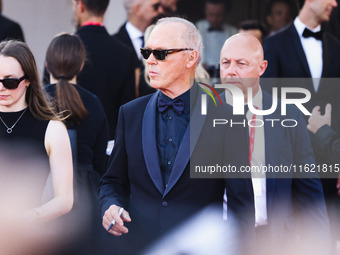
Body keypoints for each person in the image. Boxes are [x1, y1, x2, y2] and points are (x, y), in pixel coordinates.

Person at [99, 17, 254, 254]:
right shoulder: (130, 114)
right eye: (147, 52)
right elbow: (112, 181)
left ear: (190, 58)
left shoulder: (227, 118)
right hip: (138, 247)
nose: (150, 61)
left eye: (160, 53)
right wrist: (110, 206)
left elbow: (241, 204)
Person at [220, 33, 330, 255]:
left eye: (241, 63)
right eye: (225, 63)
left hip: (277, 239)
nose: (231, 70)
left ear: (262, 68)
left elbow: (309, 189)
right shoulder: (203, 115)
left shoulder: (288, 114)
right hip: (224, 240)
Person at [262, 0, 340, 251]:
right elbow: (266, 102)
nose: (334, 3)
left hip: (329, 160)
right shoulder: (274, 44)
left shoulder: (337, 47)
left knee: (324, 236)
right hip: (289, 159)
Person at [0, 40, 73, 251]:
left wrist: (31, 217)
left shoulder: (52, 128)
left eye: (10, 82)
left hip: (23, 238)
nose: (1, 88)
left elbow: (65, 199)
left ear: (29, 80)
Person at [44, 33, 109, 255]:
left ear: (47, 64)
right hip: (88, 195)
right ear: (81, 65)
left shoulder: (36, 102)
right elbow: (101, 161)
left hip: (44, 191)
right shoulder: (93, 102)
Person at [71, 0, 135, 144]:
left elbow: (49, 98)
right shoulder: (124, 52)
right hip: (109, 141)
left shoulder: (63, 50)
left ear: (80, 6)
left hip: (71, 140)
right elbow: (128, 106)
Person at [113, 0, 164, 97]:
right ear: (138, 9)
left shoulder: (164, 41)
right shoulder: (114, 44)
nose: (160, 10)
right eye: (155, 6)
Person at [196, 0, 237, 78]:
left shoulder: (233, 32)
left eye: (218, 15)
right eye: (211, 15)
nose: (214, 19)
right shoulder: (197, 28)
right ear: (205, 12)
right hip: (202, 76)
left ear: (225, 14)